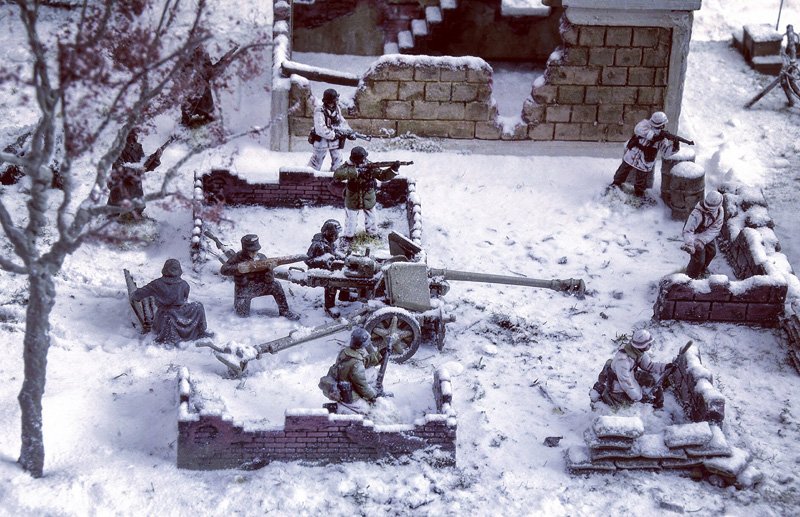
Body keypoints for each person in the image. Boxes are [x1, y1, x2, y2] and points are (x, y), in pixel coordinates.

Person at [220, 234, 300, 320]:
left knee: (276, 285)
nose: (255, 253)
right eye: (252, 251)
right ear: (245, 250)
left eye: (256, 250)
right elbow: (224, 270)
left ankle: (284, 311)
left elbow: (269, 279)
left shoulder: (261, 257)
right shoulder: (237, 258)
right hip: (243, 290)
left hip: (258, 286)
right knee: (241, 316)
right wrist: (239, 268)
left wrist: (269, 272)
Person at [131, 259, 211, 344]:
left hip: (164, 314)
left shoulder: (156, 284)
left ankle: (195, 331)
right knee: (198, 306)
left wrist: (134, 295)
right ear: (179, 270)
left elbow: (137, 295)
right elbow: (185, 299)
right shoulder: (184, 284)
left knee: (173, 313)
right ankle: (200, 330)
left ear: (164, 269)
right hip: (179, 312)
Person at [589, 329, 673, 409]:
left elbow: (649, 365)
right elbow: (626, 383)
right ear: (642, 346)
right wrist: (639, 397)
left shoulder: (637, 352)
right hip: (617, 385)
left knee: (650, 379)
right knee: (627, 405)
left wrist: (664, 367)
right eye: (648, 344)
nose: (650, 345)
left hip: (628, 376)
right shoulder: (623, 361)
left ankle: (656, 404)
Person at [333, 146, 399, 241]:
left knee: (372, 218)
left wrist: (393, 169)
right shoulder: (348, 166)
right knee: (350, 219)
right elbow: (337, 175)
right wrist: (355, 172)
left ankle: (372, 234)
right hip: (353, 197)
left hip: (368, 196)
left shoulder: (370, 166)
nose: (362, 161)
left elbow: (382, 176)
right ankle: (348, 236)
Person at [609, 111, 678, 198]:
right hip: (633, 154)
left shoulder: (662, 139)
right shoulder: (645, 124)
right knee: (623, 170)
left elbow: (666, 153)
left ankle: (639, 192)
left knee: (641, 179)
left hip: (645, 160)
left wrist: (675, 145)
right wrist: (654, 136)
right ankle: (616, 183)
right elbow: (638, 129)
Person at [107, 128, 164, 220]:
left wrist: (156, 158)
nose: (135, 137)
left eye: (136, 135)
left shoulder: (138, 147)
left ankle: (134, 215)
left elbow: (144, 164)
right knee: (115, 208)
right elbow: (119, 168)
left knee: (138, 207)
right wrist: (136, 171)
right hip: (120, 181)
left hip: (134, 181)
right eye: (133, 135)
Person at [319, 327, 382, 409]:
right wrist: (373, 395)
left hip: (341, 386)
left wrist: (377, 357)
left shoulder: (345, 352)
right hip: (350, 396)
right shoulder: (356, 363)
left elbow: (355, 364)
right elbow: (362, 385)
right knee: (368, 408)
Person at [305, 219, 346, 318]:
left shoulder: (330, 242)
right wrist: (324, 261)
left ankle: (345, 295)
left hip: (328, 267)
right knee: (332, 281)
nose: (337, 237)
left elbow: (334, 252)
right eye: (334, 235)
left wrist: (343, 257)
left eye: (337, 235)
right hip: (316, 270)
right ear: (328, 233)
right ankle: (329, 306)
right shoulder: (318, 244)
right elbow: (308, 260)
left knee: (346, 273)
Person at [307, 88, 354, 171]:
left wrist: (349, 131)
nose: (335, 102)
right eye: (333, 100)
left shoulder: (337, 109)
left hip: (334, 141)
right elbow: (320, 129)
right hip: (321, 140)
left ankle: (336, 174)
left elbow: (341, 121)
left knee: (338, 159)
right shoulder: (319, 111)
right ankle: (308, 175)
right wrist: (333, 135)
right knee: (316, 161)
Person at [681, 190, 724, 279]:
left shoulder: (720, 212)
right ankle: (691, 276)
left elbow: (715, 228)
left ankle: (702, 270)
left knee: (712, 252)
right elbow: (688, 231)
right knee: (699, 260)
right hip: (694, 236)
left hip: (708, 235)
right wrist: (690, 244)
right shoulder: (696, 214)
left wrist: (702, 240)